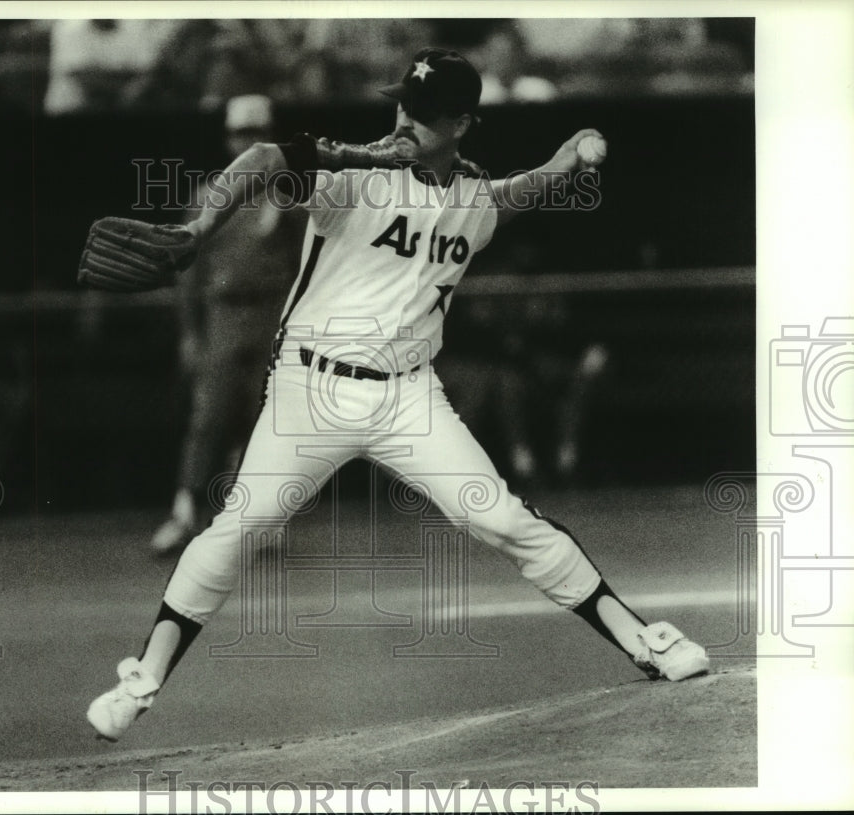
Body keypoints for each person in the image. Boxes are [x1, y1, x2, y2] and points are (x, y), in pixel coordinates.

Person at [88, 48, 709, 741]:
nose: (407, 118)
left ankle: (643, 640)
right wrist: (198, 229)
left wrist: (563, 164)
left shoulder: (472, 197)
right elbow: (264, 158)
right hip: (310, 390)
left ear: (465, 122)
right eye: (403, 104)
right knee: (239, 529)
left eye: (426, 112)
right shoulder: (353, 176)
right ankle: (139, 680)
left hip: (409, 398)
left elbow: (509, 195)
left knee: (500, 518)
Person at [150, 95, 305, 554]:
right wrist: (189, 333)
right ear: (228, 138)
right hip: (224, 313)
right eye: (242, 134)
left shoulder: (290, 194)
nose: (250, 142)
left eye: (258, 134)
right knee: (208, 418)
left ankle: (261, 520)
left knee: (268, 421)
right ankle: (184, 514)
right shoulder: (208, 196)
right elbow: (189, 274)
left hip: (273, 313)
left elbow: (306, 264)